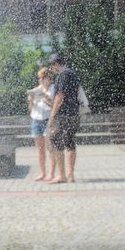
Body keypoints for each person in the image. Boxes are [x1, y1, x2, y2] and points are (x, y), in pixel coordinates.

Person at [45, 55, 81, 184]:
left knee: (56, 141)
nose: (52, 69)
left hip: (63, 115)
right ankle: (70, 175)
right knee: (70, 142)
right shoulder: (73, 74)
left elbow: (60, 97)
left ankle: (61, 175)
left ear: (56, 64)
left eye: (52, 66)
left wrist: (52, 116)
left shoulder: (62, 75)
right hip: (73, 114)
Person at [27, 67, 54, 181]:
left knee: (50, 148)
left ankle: (51, 174)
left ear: (49, 78)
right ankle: (42, 173)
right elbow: (30, 109)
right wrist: (30, 101)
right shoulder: (36, 90)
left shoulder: (53, 89)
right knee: (40, 149)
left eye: (44, 78)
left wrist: (47, 99)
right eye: (39, 78)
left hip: (48, 119)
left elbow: (56, 105)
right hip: (36, 119)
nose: (41, 80)